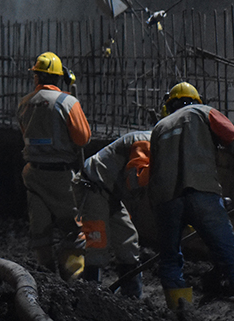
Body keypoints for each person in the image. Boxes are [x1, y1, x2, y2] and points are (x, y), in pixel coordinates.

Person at [148, 81, 234, 320]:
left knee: (170, 261)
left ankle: (181, 314)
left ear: (170, 105)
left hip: (167, 203)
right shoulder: (204, 112)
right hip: (203, 195)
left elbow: (154, 175)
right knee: (231, 259)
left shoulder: (159, 128)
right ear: (196, 99)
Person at [16, 51, 91, 281]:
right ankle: (72, 276)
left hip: (33, 175)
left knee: (40, 229)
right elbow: (83, 139)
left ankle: (45, 275)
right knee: (73, 229)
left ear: (36, 77)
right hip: (61, 178)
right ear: (60, 78)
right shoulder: (68, 102)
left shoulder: (24, 103)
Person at [75, 129, 151, 297]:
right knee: (97, 240)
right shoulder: (145, 142)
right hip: (93, 185)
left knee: (128, 239)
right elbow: (134, 180)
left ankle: (132, 300)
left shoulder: (159, 144)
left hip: (110, 192)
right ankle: (91, 295)